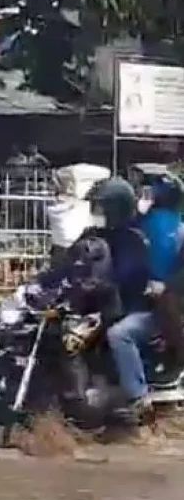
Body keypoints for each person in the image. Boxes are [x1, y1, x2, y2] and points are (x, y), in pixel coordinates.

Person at [46, 178, 155, 418]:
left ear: (118, 208)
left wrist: (97, 286)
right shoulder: (92, 234)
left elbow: (127, 277)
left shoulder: (133, 240)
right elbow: (69, 263)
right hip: (93, 303)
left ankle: (136, 399)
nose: (98, 213)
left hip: (125, 307)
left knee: (117, 335)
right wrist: (44, 281)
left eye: (103, 207)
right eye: (96, 207)